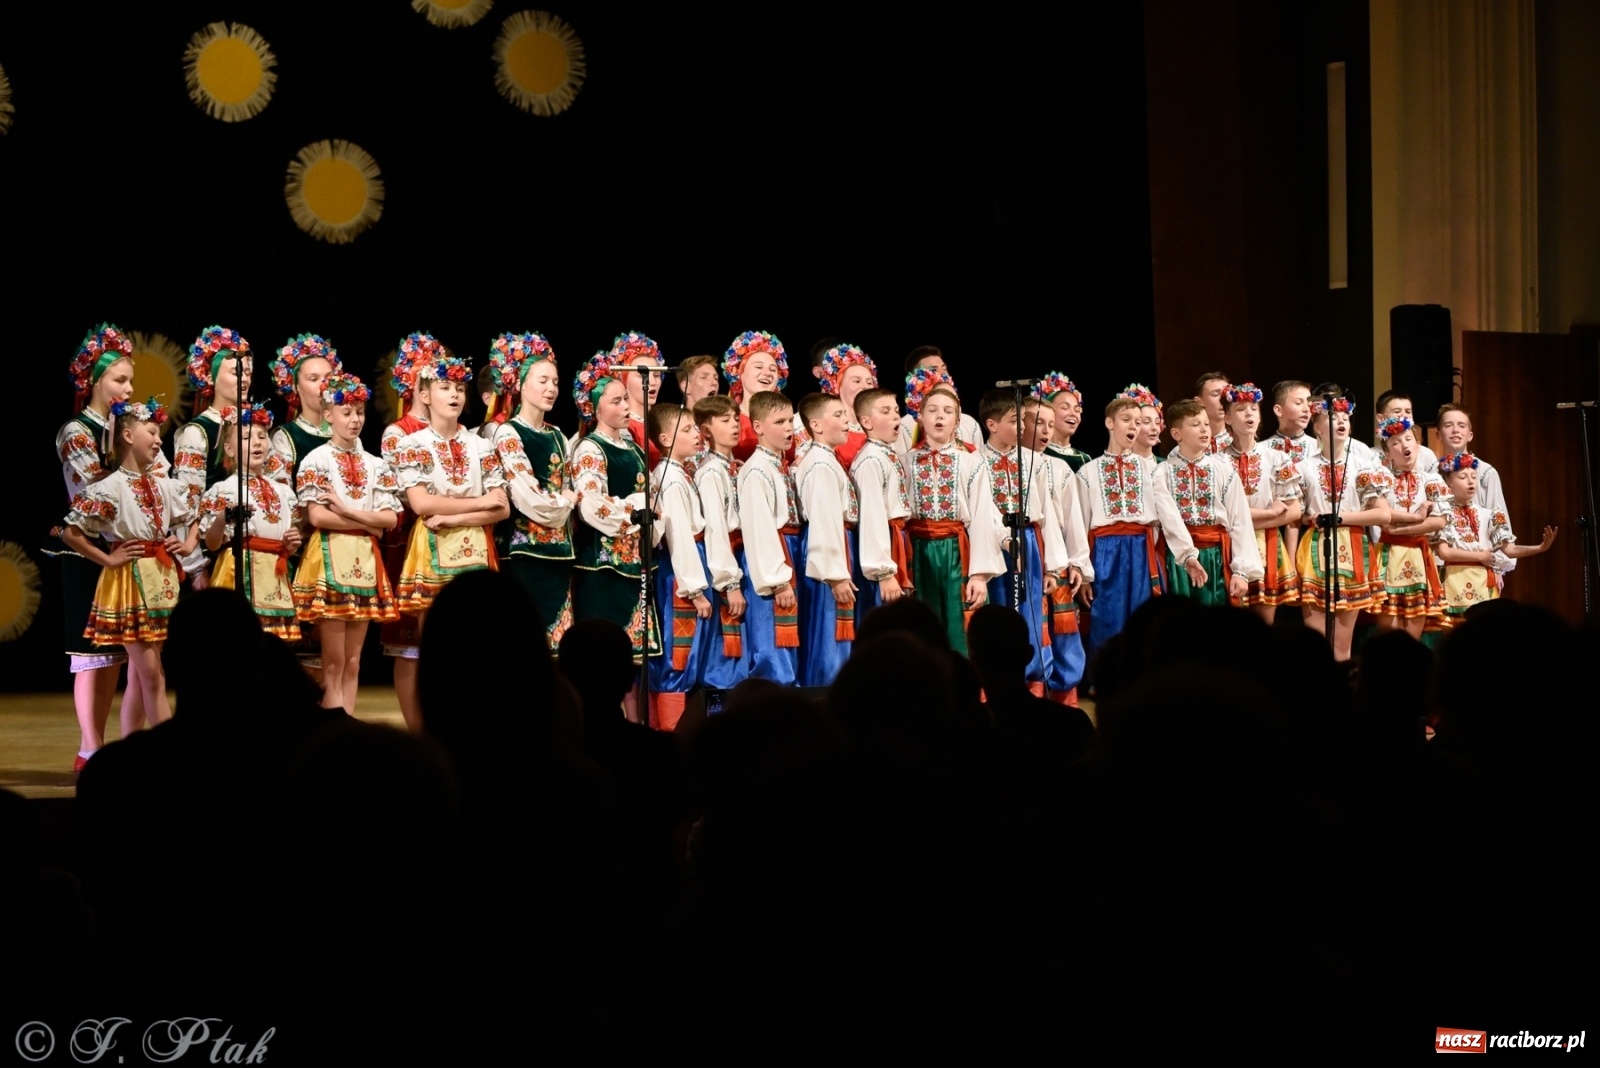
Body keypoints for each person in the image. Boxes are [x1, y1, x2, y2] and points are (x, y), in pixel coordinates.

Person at [60, 398, 197, 727]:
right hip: (130, 581)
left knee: (146, 677)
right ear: (127, 436)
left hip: (161, 579)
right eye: (152, 432)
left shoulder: (165, 486)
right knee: (152, 676)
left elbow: (195, 516)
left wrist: (188, 543)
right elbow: (71, 533)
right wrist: (109, 558)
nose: (159, 440)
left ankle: (135, 750)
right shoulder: (109, 488)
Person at [55, 324, 146, 770]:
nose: (126, 389)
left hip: (126, 548)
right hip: (88, 547)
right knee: (91, 655)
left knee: (117, 653)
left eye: (130, 381)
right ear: (94, 382)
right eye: (119, 380)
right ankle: (90, 747)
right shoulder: (78, 431)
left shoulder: (125, 428)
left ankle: (113, 749)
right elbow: (97, 485)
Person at [293, 373, 401, 713]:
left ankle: (348, 721)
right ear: (329, 415)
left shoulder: (376, 465)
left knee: (354, 662)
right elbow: (318, 518)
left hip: (364, 563)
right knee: (333, 662)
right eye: (346, 412)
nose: (355, 420)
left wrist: (345, 508)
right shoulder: (317, 460)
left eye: (360, 412)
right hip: (329, 559)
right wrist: (363, 520)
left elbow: (390, 520)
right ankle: (332, 728)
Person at [393, 349, 509, 622]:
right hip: (434, 541)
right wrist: (481, 502)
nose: (454, 394)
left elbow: (502, 509)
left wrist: (451, 517)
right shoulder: (412, 445)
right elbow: (421, 503)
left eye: (459, 388)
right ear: (425, 396)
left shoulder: (480, 445)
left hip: (474, 543)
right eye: (444, 388)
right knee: (435, 632)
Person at [486, 331, 576, 646]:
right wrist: (564, 503)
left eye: (555, 382)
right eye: (542, 381)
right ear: (521, 384)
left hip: (559, 553)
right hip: (522, 553)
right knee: (522, 642)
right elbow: (527, 497)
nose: (551, 388)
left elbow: (570, 489)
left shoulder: (558, 436)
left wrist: (566, 500)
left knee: (556, 644)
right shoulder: (507, 433)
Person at [902, 374, 1002, 655]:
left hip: (957, 551)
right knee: (922, 626)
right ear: (920, 417)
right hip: (917, 551)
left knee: (960, 625)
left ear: (957, 421)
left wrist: (980, 575)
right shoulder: (905, 462)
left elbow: (982, 516)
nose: (940, 417)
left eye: (948, 412)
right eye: (932, 410)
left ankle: (966, 691)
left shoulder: (971, 462)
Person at [570, 352, 660, 664]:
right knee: (601, 655)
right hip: (602, 564)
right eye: (616, 402)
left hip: (634, 561)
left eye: (625, 400)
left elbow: (651, 494)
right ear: (594, 409)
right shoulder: (590, 449)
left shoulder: (633, 448)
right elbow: (592, 504)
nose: (625, 407)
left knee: (633, 660)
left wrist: (648, 515)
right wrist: (635, 513)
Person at [979, 389, 1069, 692]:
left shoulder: (1036, 462)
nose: (1021, 428)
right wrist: (1002, 538)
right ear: (992, 425)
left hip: (1030, 540)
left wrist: (1053, 567)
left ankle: (1032, 683)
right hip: (992, 544)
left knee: (1030, 612)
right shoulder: (976, 461)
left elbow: (1048, 517)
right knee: (998, 612)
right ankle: (995, 683)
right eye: (1014, 421)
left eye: (1021, 422)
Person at [1297, 389, 1394, 660]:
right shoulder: (1303, 467)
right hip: (1315, 546)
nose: (1341, 422)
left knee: (1341, 646)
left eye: (1345, 417)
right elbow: (1296, 513)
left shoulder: (1363, 466)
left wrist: (1338, 518)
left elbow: (1383, 515)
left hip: (1352, 545)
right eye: (1333, 417)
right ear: (1317, 427)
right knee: (1314, 645)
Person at [1076, 395, 1174, 659]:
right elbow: (1081, 523)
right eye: (1126, 420)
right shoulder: (1088, 471)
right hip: (1105, 550)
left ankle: (1143, 676)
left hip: (1142, 549)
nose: (1134, 426)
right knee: (1107, 613)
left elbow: (1169, 514)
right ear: (1110, 423)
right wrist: (1084, 572)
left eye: (1138, 422)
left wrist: (1187, 554)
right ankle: (1104, 677)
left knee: (1144, 615)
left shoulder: (1152, 470)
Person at [200, 405, 301, 641]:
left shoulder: (283, 491)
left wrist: (290, 543)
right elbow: (213, 544)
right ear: (229, 449)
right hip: (239, 568)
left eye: (262, 436)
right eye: (246, 437)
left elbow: (288, 541)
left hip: (274, 574)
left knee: (274, 648)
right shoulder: (224, 490)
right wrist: (223, 517)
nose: (257, 443)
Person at [377, 332, 436, 731]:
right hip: (411, 537)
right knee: (409, 644)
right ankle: (417, 728)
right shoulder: (398, 432)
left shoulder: (457, 430)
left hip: (450, 537)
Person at [1154, 400, 1262, 607]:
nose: (1204, 429)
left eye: (1206, 423)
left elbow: (1239, 520)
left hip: (1218, 555)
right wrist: (1187, 557)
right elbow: (1169, 519)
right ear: (1177, 434)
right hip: (1178, 558)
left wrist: (1241, 571)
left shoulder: (1224, 470)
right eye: (1195, 425)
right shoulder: (1162, 473)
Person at [1021, 396, 1091, 704]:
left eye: (1051, 424)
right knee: (1031, 622)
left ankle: (1064, 696)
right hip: (1026, 556)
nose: (1046, 430)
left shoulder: (1059, 467)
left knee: (1063, 628)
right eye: (1038, 423)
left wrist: (1078, 563)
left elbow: (1072, 519)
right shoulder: (1009, 465)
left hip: (1058, 554)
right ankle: (1031, 689)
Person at [1433, 451, 1556, 623]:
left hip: (1483, 581)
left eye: (1473, 477)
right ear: (1448, 482)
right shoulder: (1442, 513)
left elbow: (1509, 549)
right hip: (1454, 579)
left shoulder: (1489, 514)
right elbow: (1444, 553)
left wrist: (1539, 547)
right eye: (1463, 477)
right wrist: (1479, 556)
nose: (1470, 481)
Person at [647, 404, 711, 728]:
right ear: (664, 438)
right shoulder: (669, 478)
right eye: (685, 430)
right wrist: (695, 590)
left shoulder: (675, 473)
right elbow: (679, 536)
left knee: (681, 658)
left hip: (683, 571)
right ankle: (671, 735)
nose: (695, 434)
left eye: (694, 428)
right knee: (678, 658)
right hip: (679, 577)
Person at [735, 390, 802, 685]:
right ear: (758, 427)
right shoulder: (756, 470)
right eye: (779, 422)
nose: (788, 428)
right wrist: (778, 580)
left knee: (789, 646)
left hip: (790, 552)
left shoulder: (779, 466)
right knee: (773, 646)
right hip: (772, 562)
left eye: (790, 420)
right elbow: (760, 529)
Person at [1220, 383, 1303, 622]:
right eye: (1240, 409)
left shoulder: (1277, 457)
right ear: (1226, 417)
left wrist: (1243, 517)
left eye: (1253, 409)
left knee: (1264, 626)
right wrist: (1269, 514)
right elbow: (1222, 514)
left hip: (1267, 541)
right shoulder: (1218, 461)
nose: (1249, 414)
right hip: (1231, 544)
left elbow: (1295, 510)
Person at [793, 392, 859, 687]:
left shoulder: (826, 459)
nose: (846, 421)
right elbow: (823, 520)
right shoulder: (819, 464)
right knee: (828, 637)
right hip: (829, 557)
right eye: (838, 415)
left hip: (838, 548)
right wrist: (835, 576)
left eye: (846, 415)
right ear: (816, 425)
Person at [690, 395, 750, 692]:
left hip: (739, 555)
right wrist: (730, 583)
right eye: (725, 421)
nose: (735, 425)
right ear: (706, 430)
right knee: (726, 649)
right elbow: (716, 528)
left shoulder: (730, 467)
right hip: (725, 560)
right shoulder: (711, 471)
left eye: (736, 419)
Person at [1373, 415, 1446, 638]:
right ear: (1387, 453)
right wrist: (1418, 518)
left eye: (1408, 439)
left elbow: (1441, 520)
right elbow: (1383, 515)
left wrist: (1401, 530)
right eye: (1396, 442)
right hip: (1389, 556)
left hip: (1418, 557)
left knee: (1414, 636)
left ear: (1418, 445)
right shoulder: (1380, 478)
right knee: (1389, 635)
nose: (1404, 445)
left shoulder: (1431, 480)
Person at [849, 387, 914, 621]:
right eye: (885, 411)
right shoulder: (870, 460)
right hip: (883, 547)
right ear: (866, 421)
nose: (895, 416)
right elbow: (872, 517)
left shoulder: (885, 453)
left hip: (895, 540)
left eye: (896, 411)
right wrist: (884, 572)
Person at [1436, 404, 1514, 584]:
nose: (1456, 430)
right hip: (1441, 563)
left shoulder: (1486, 473)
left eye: (1462, 426)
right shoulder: (1430, 473)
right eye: (1449, 425)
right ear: (1438, 434)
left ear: (1470, 434)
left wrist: (1498, 567)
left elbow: (1499, 521)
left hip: (1478, 565)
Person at [268, 333, 340, 484]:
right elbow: (282, 493)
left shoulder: (346, 430)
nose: (323, 384)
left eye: (328, 377)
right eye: (313, 379)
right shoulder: (285, 437)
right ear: (295, 386)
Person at [798, 341, 876, 468]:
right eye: (856, 381)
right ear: (837, 385)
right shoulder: (819, 424)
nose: (865, 387)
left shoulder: (877, 426)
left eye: (869, 382)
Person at [722, 329, 791, 462]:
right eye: (758, 367)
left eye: (773, 369)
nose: (767, 373)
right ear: (739, 374)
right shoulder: (726, 420)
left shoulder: (790, 422)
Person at [898, 345, 983, 452]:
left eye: (944, 368)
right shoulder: (904, 426)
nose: (943, 374)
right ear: (917, 379)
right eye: (934, 370)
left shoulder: (969, 423)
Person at [612, 330, 666, 468]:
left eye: (656, 375)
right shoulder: (623, 426)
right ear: (623, 378)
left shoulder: (664, 423)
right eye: (643, 375)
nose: (652, 382)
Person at [1032, 372, 1093, 472]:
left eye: (1077, 410)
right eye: (1065, 407)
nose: (1073, 413)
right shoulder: (1036, 454)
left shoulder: (1085, 459)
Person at [1374, 391, 1437, 473]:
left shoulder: (1425, 455)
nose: (1404, 416)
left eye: (1408, 412)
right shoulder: (1371, 456)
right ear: (1381, 418)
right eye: (1397, 411)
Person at [1122, 383, 1163, 461]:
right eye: (1146, 422)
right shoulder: (1118, 468)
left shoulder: (1167, 467)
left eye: (1157, 423)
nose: (1154, 428)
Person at [1194, 371, 1232, 454]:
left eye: (1226, 395)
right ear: (1198, 402)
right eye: (1215, 394)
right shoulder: (1186, 449)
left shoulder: (1239, 446)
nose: (1223, 400)